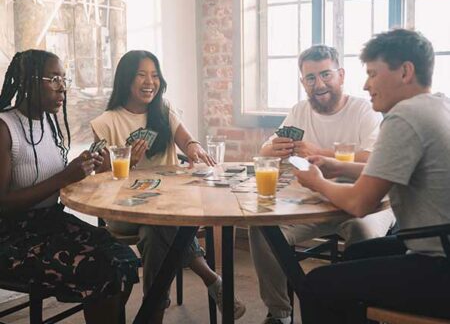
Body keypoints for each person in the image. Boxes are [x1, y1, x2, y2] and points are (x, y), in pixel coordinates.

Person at [295, 29, 450, 323]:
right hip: (438, 245)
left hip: (439, 265)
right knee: (357, 255)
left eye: (373, 74)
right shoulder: (437, 106)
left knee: (316, 285)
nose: (366, 85)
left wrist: (317, 181)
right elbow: (391, 171)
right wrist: (338, 167)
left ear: (405, 72)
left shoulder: (404, 117)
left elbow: (358, 203)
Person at [91, 50, 246, 323]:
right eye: (141, 75)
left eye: (154, 75)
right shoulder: (106, 123)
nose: (150, 81)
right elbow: (100, 177)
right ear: (126, 79)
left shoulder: (163, 110)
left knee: (155, 231)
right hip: (124, 210)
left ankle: (153, 311)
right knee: (160, 224)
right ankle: (211, 279)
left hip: (168, 205)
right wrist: (128, 162)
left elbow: (187, 140)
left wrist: (194, 147)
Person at [249, 45, 395, 324]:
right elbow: (265, 149)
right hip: (311, 202)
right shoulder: (299, 110)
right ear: (303, 82)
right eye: (311, 78)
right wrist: (272, 149)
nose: (319, 84)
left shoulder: (365, 110)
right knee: (263, 231)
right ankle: (279, 313)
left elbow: (374, 160)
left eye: (326, 75)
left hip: (365, 203)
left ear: (341, 75)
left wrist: (319, 152)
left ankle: (359, 312)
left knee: (361, 231)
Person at [0, 50, 139, 324]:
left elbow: (58, 181)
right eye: (53, 79)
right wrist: (65, 176)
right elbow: (2, 204)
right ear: (29, 80)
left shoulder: (49, 123)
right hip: (12, 235)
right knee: (100, 269)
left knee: (124, 258)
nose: (63, 87)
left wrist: (90, 168)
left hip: (50, 223)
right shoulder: (5, 128)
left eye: (65, 79)